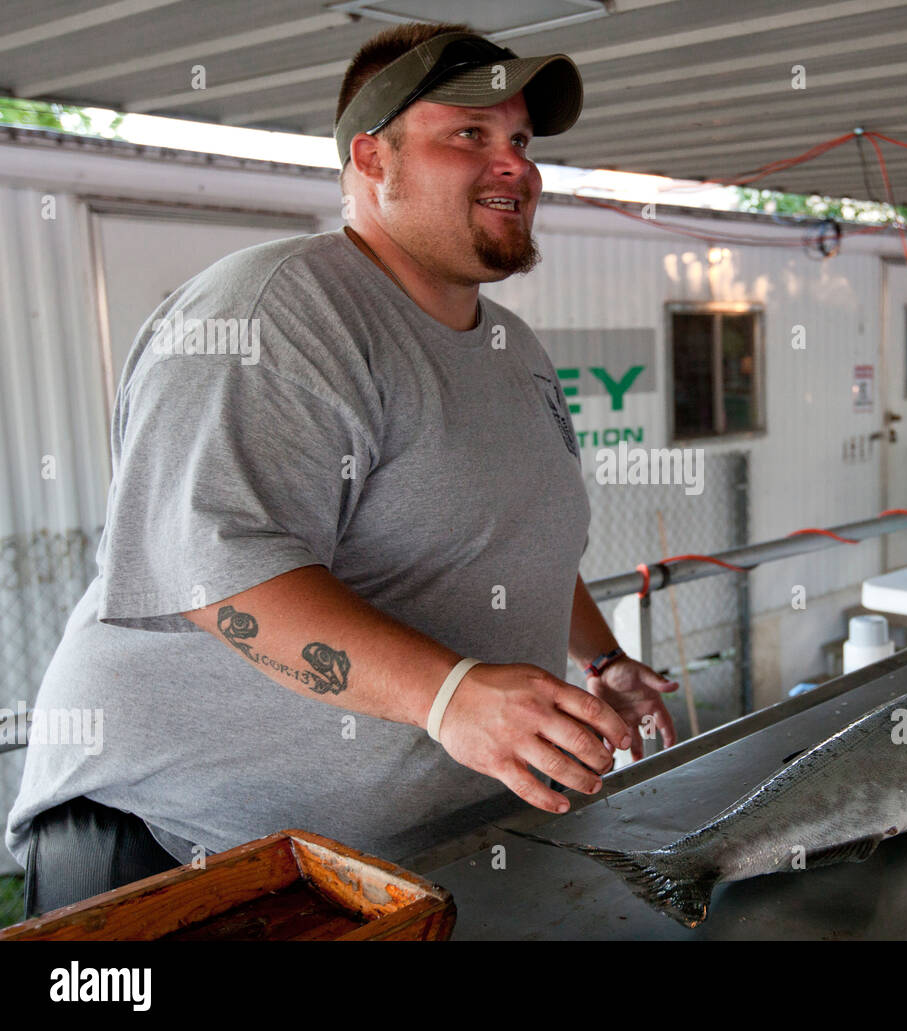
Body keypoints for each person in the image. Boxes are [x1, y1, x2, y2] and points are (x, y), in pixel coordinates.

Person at [5, 20, 677, 919]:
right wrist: (450, 696)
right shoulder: (277, 315)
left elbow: (518, 544)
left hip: (381, 862)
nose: (514, 163)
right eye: (469, 135)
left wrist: (602, 659)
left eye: (519, 139)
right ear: (373, 157)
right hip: (182, 846)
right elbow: (222, 580)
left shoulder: (515, 351)